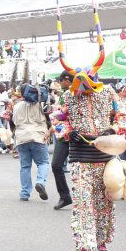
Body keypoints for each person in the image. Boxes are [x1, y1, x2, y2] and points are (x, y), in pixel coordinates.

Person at [51, 0, 126, 251]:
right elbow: (57, 120)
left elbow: (121, 115)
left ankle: (103, 240)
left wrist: (116, 133)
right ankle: (83, 248)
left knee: (106, 200)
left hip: (106, 156)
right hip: (81, 158)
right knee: (83, 204)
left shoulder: (108, 93)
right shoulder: (68, 97)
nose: (83, 87)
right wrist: (68, 131)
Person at [12, 84, 50, 202]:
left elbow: (14, 121)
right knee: (43, 163)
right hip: (38, 136)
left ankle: (24, 193)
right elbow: (50, 117)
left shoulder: (17, 106)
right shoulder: (41, 105)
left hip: (22, 138)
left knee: (25, 166)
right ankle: (40, 182)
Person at [51, 71, 73, 209]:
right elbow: (60, 114)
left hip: (80, 135)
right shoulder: (64, 95)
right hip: (64, 134)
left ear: (67, 80)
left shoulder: (77, 93)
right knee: (56, 165)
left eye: (61, 80)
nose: (59, 83)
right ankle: (65, 197)